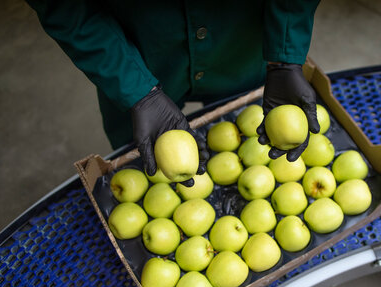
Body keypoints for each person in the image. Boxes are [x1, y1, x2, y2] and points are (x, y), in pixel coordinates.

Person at [26, 0, 321, 185]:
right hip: (136, 52)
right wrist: (134, 89)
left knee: (246, 116)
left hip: (240, 44)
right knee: (143, 157)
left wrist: (285, 53)